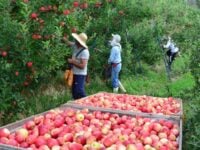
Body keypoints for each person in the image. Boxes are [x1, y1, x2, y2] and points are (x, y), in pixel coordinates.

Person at [63, 33, 90, 99]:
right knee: (74, 91)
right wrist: (64, 39)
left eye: (77, 40)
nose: (75, 41)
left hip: (80, 74)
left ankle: (86, 103)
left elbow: (83, 66)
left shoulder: (85, 52)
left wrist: (72, 61)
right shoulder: (76, 46)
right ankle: (77, 106)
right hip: (74, 73)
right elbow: (69, 43)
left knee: (79, 91)